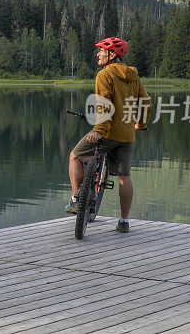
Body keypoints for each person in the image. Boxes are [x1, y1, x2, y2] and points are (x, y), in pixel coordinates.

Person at [64, 37, 151, 233]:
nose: (98, 54)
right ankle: (124, 222)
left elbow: (103, 105)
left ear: (112, 55)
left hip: (108, 132)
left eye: (102, 51)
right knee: (124, 177)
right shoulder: (133, 76)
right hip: (127, 134)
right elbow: (146, 102)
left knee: (75, 156)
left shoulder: (104, 75)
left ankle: (77, 199)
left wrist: (98, 131)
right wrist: (141, 123)